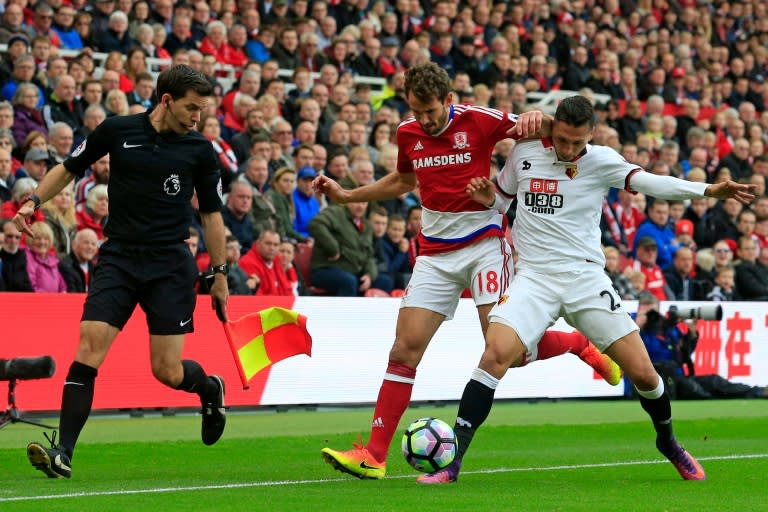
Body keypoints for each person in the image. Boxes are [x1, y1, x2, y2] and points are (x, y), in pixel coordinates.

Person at [420, 95, 755, 485]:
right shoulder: (525, 152)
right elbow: (503, 200)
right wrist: (488, 199)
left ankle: (668, 442)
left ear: (591, 135)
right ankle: (453, 462)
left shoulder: (601, 160)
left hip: (585, 279)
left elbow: (650, 183)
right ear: (553, 128)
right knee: (494, 355)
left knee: (645, 376)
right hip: (534, 278)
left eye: (577, 143)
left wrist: (709, 190)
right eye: (562, 140)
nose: (568, 150)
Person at [313, 63, 620, 480]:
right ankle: (373, 455)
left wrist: (538, 119)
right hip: (435, 255)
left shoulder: (480, 120)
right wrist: (348, 195)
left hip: (484, 246)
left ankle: (577, 344)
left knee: (509, 354)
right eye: (417, 111)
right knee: (404, 350)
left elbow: (558, 127)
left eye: (432, 112)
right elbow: (404, 181)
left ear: (449, 100)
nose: (425, 120)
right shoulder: (408, 133)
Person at [13, 65, 230, 480]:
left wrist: (219, 276)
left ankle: (208, 389)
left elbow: (212, 216)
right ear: (166, 101)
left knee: (166, 371)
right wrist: (34, 201)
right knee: (89, 346)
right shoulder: (117, 130)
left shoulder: (200, 150)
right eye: (190, 108)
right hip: (118, 258)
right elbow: (70, 167)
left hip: (169, 264)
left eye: (201, 110)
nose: (196, 118)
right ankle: (65, 452)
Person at [636, 293, 766, 399]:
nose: (650, 317)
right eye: (645, 313)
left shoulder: (668, 328)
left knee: (714, 381)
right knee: (693, 388)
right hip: (657, 381)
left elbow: (683, 357)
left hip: (677, 377)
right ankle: (712, 399)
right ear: (638, 312)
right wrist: (637, 327)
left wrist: (691, 335)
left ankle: (759, 392)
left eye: (652, 312)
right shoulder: (632, 330)